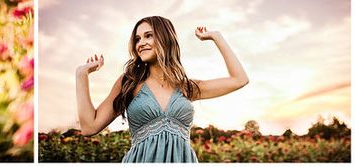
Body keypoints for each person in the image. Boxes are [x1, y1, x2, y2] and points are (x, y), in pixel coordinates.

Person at [75, 16, 248, 162]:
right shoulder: (129, 82)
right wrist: (81, 74)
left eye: (148, 36)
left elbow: (239, 80)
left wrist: (216, 37)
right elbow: (90, 127)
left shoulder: (187, 87)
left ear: (165, 39)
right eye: (137, 39)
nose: (141, 43)